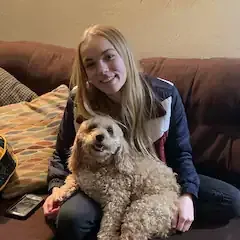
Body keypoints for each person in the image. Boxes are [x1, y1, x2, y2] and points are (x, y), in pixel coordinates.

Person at [43, 24, 240, 240]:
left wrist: (187, 195)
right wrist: (55, 188)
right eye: (90, 64)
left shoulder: (164, 95)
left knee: (230, 200)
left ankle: (139, 211)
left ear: (125, 55)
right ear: (85, 71)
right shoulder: (78, 99)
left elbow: (181, 153)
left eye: (109, 57)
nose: (102, 69)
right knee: (71, 221)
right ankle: (117, 209)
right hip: (101, 179)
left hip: (152, 180)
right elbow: (62, 152)